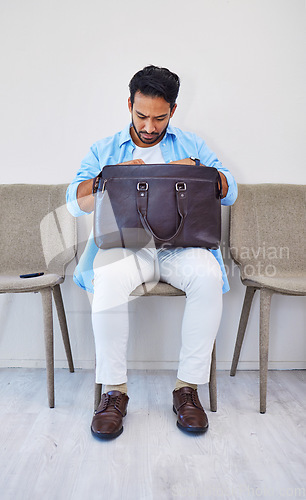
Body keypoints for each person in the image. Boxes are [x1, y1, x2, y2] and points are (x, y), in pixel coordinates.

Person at [66, 65, 238, 440]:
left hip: (183, 247)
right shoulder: (105, 148)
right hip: (127, 248)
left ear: (173, 111)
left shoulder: (192, 144)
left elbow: (230, 190)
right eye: (141, 115)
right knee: (107, 278)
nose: (149, 125)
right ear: (129, 104)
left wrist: (200, 170)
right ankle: (114, 392)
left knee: (208, 277)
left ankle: (187, 389)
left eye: (159, 118)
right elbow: (73, 203)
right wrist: (105, 180)